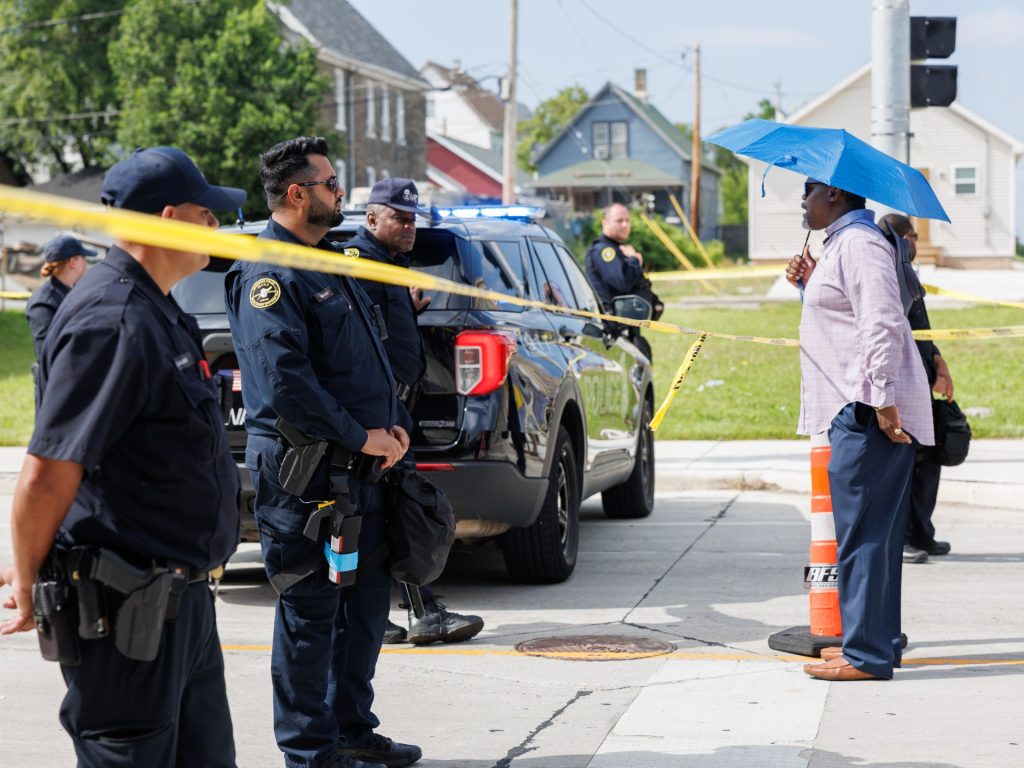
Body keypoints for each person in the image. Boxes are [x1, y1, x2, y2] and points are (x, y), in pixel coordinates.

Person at [0, 146, 245, 766]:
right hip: (128, 610)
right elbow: (48, 472)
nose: (215, 223)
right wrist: (26, 579)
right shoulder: (111, 318)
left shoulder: (156, 305)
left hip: (183, 603)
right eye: (205, 212)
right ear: (167, 218)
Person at [225, 137, 420, 768]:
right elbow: (286, 383)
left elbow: (366, 361)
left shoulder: (327, 260)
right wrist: (362, 436)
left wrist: (392, 427)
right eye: (331, 184)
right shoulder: (269, 274)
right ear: (297, 193)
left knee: (363, 609)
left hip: (362, 472)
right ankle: (310, 753)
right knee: (310, 613)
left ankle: (351, 730)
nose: (341, 193)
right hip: (305, 474)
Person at [785, 179, 933, 682]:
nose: (802, 199)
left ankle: (866, 655)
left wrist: (883, 400)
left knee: (864, 535)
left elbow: (882, 323)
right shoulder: (843, 245)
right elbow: (845, 316)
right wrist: (809, 283)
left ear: (834, 194)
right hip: (858, 404)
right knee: (875, 535)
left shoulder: (860, 244)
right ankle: (875, 643)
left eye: (808, 190)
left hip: (866, 408)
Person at [343, 177, 485, 646]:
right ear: (371, 217)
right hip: (372, 413)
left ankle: (397, 613)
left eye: (412, 219)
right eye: (399, 218)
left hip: (394, 407)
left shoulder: (388, 263)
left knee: (392, 510)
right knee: (381, 512)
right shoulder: (358, 263)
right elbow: (352, 340)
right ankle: (396, 613)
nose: (409, 227)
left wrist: (409, 309)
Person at [878, 213, 954, 564]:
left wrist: (938, 362)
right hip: (901, 383)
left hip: (923, 377)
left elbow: (921, 328)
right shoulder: (887, 274)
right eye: (913, 238)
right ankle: (903, 538)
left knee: (929, 460)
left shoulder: (907, 273)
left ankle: (923, 532)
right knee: (904, 464)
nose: (916, 246)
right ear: (901, 238)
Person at [584, 203, 663, 358]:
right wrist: (634, 261)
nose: (625, 225)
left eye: (627, 220)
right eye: (619, 221)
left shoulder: (618, 248)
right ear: (605, 222)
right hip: (613, 333)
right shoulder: (604, 251)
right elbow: (622, 283)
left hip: (626, 329)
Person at [25, 234, 94, 359]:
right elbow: (47, 354)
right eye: (84, 258)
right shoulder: (43, 303)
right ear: (73, 262)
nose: (86, 263)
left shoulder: (73, 293)